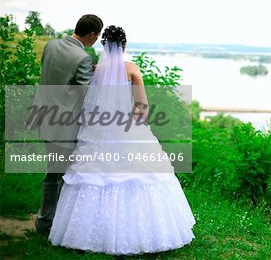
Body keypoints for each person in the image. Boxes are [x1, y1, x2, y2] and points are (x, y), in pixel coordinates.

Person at [48, 25, 196, 255]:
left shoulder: (95, 69)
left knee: (95, 177)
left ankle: (86, 233)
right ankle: (141, 234)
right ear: (124, 46)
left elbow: (89, 102)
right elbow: (142, 108)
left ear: (104, 46)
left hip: (99, 129)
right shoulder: (132, 70)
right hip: (128, 129)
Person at [34, 14, 103, 234]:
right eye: (97, 36)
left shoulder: (51, 45)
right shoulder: (82, 57)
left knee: (55, 171)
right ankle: (47, 223)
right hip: (63, 123)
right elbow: (87, 94)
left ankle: (53, 220)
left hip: (43, 114)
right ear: (92, 34)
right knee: (58, 174)